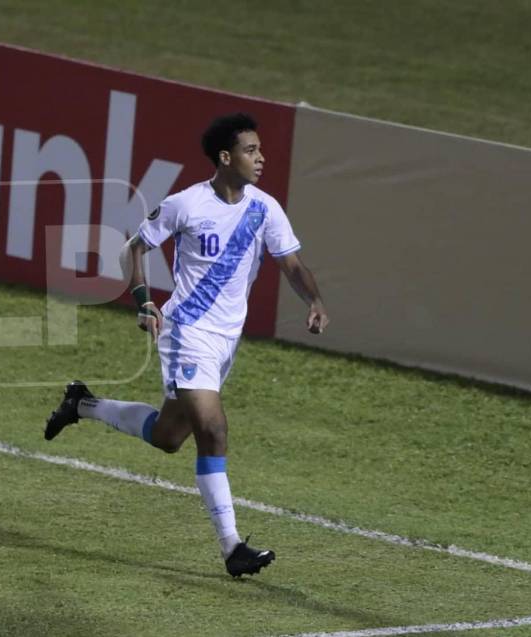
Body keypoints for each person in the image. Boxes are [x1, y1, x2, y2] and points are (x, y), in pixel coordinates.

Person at [44, 113, 329, 577]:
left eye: (259, 150)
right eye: (251, 150)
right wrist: (143, 300)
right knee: (213, 430)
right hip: (186, 333)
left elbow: (292, 264)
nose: (262, 158)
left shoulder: (265, 208)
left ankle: (82, 404)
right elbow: (135, 247)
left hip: (224, 343)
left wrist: (314, 299)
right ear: (225, 157)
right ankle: (232, 547)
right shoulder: (186, 205)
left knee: (168, 437)